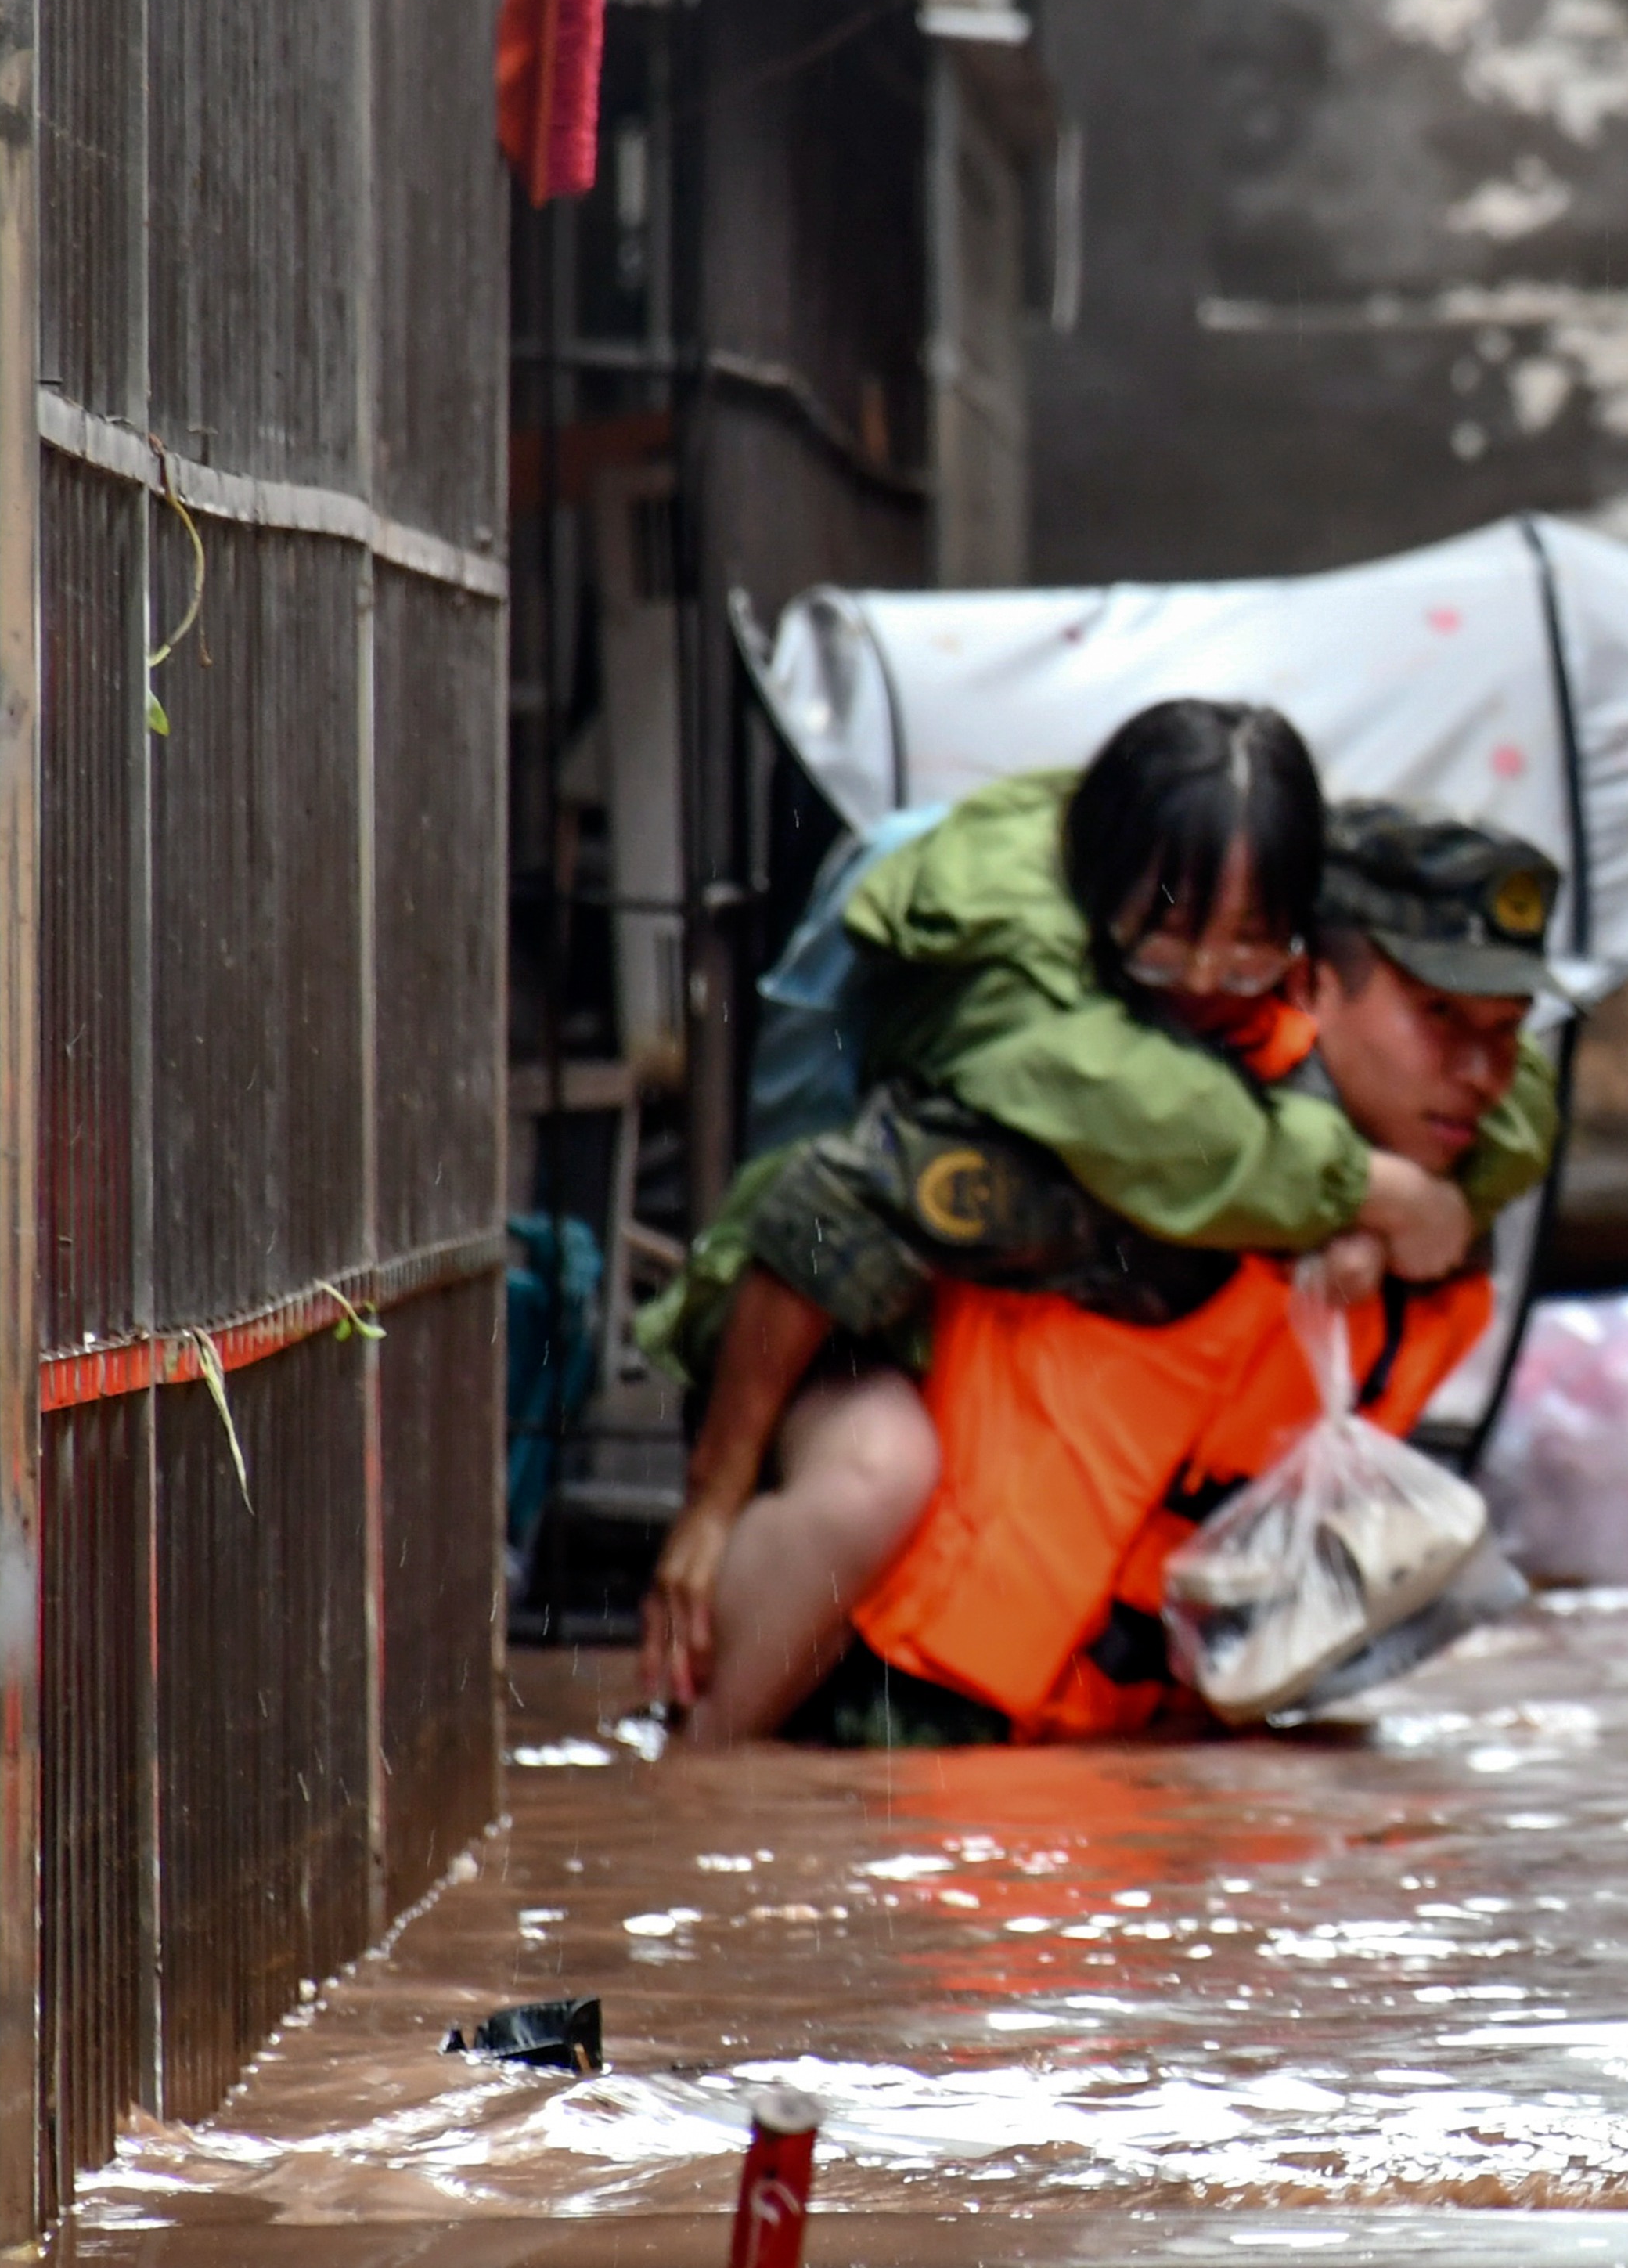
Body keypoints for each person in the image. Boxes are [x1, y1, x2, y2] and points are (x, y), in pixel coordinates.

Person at [631, 705, 1551, 1740]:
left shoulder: (1356, 1133)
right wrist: (713, 1502)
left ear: (1293, 948)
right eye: (1170, 941)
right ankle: (693, 1767)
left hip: (1068, 1663)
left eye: (1246, 948)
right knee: (873, 1474)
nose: (1204, 983)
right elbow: (815, 1224)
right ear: (1322, 982)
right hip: (819, 1343)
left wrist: (1374, 1214)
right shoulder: (1092, 1099)